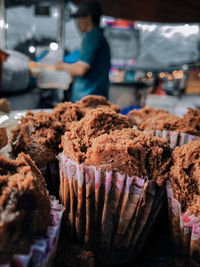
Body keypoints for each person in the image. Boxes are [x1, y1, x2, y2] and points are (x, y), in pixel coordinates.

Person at [55, 0, 111, 102]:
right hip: (95, 98)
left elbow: (81, 69)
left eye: (79, 18)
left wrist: (61, 65)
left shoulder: (92, 37)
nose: (77, 22)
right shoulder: (98, 37)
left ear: (88, 17)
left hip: (88, 100)